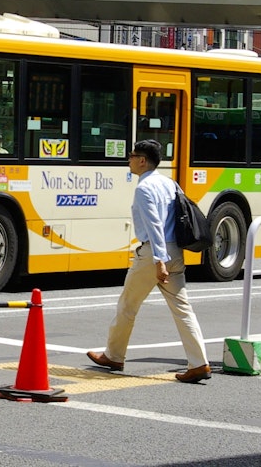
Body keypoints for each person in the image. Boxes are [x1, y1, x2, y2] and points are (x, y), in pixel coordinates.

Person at [86, 139, 211, 383]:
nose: (129, 159)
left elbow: (154, 225)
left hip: (154, 255)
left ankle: (113, 356)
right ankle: (199, 363)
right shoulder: (170, 184)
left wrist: (158, 260)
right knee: (183, 308)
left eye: (132, 155)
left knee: (127, 305)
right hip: (176, 253)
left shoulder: (144, 188)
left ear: (142, 161)